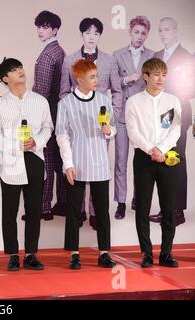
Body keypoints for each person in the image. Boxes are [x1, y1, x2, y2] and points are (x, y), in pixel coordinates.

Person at [0, 58, 53, 271]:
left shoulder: (40, 101)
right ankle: (13, 255)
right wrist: (15, 146)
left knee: (34, 210)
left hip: (35, 158)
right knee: (10, 212)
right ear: (5, 79)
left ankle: (31, 254)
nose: (20, 72)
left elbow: (48, 127)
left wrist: (37, 142)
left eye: (20, 68)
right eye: (14, 71)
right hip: (11, 161)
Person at [60, 17, 122, 230]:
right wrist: (68, 117)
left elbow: (117, 90)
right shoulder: (69, 60)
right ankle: (78, 212)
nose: (91, 37)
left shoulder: (109, 60)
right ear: (81, 35)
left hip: (100, 122)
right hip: (77, 123)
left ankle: (95, 212)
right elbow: (63, 91)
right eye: (87, 33)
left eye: (95, 33)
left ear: (100, 36)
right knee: (77, 166)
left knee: (98, 167)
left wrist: (111, 115)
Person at [56, 59, 117, 270]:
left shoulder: (103, 100)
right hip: (77, 162)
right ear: (78, 78)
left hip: (100, 162)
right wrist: (68, 164)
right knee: (74, 210)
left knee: (102, 210)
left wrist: (109, 130)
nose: (96, 80)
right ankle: (74, 253)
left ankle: (104, 252)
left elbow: (114, 126)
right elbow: (62, 135)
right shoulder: (65, 104)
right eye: (91, 77)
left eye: (96, 76)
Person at [125, 58, 181, 268]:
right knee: (143, 207)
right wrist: (151, 149)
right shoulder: (133, 102)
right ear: (145, 76)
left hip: (167, 157)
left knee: (168, 208)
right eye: (156, 74)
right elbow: (133, 131)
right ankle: (146, 253)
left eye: (164, 75)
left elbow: (174, 129)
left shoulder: (172, 101)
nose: (161, 79)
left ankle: (166, 253)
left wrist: (162, 149)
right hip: (144, 158)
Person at [149, 17, 195, 226]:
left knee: (176, 159)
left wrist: (170, 92)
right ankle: (166, 208)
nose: (163, 33)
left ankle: (177, 211)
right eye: (160, 30)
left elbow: (192, 89)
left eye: (167, 29)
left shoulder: (187, 57)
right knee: (163, 159)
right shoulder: (157, 56)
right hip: (159, 114)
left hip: (177, 112)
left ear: (176, 31)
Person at [26, 10, 66, 221]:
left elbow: (41, 90)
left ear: (55, 29)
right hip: (58, 113)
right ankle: (61, 204)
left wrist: (34, 117)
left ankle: (43, 207)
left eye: (45, 27)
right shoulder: (59, 51)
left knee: (47, 161)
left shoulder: (48, 54)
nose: (40, 31)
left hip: (47, 114)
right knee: (58, 160)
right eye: (39, 27)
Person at [112, 16, 154, 219]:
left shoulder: (153, 56)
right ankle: (121, 202)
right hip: (121, 115)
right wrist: (127, 79)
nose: (139, 36)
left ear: (147, 34)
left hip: (142, 117)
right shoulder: (117, 54)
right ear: (130, 31)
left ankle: (139, 198)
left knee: (143, 161)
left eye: (143, 33)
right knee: (121, 160)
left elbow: (155, 85)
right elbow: (112, 83)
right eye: (136, 32)